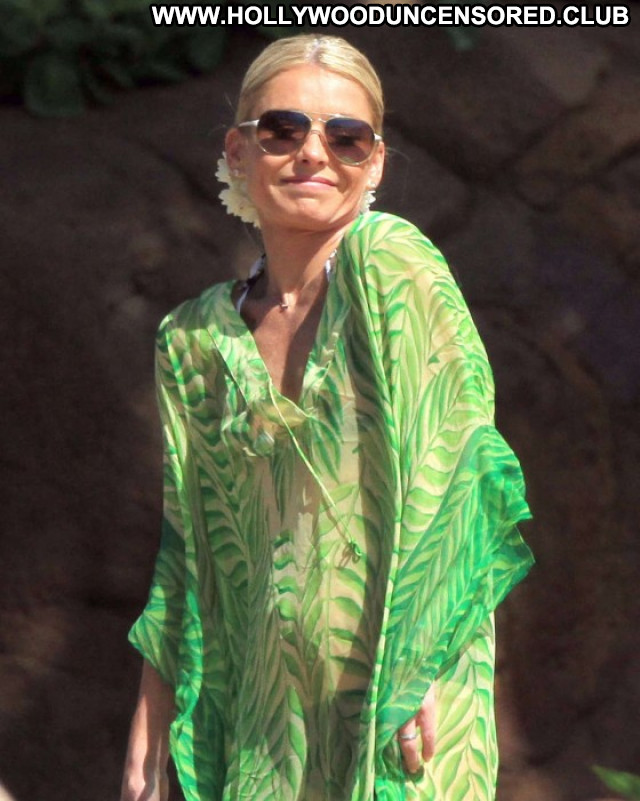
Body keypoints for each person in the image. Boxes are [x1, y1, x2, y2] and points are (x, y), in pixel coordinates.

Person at [120, 34, 534, 801]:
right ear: (238, 151)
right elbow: (189, 547)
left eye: (346, 137)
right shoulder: (192, 338)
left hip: (400, 706)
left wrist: (414, 667)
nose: (314, 152)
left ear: (375, 164)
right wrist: (154, 709)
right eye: (283, 130)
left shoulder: (389, 264)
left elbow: (456, 473)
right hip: (264, 722)